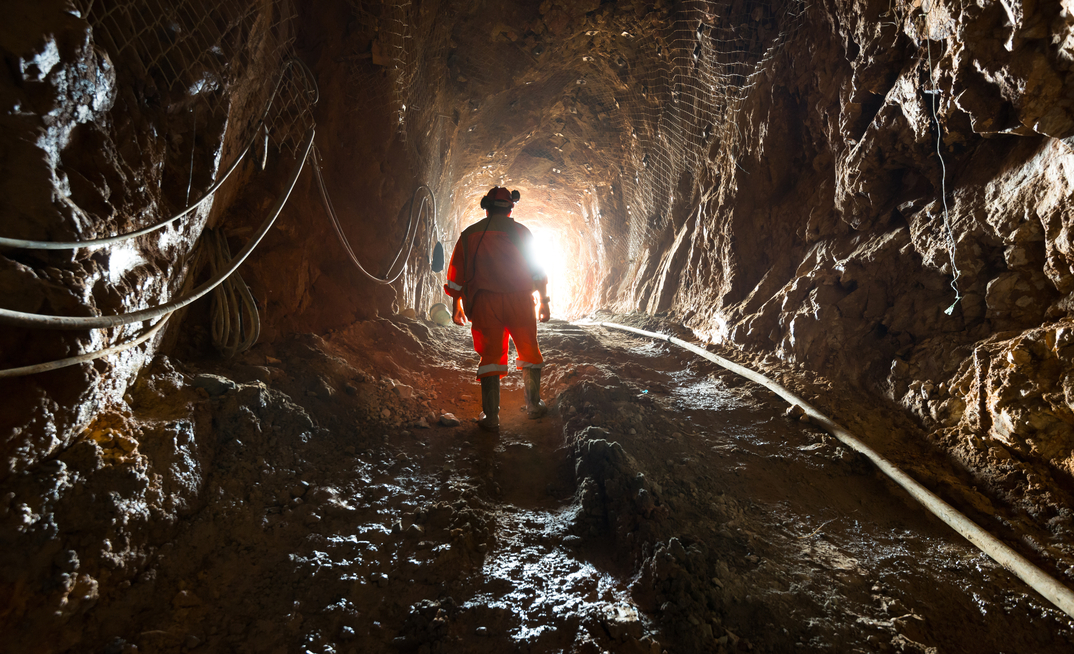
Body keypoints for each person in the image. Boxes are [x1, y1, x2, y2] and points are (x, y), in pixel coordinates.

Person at [443, 187, 551, 430]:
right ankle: (534, 406)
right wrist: (544, 302)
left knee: (490, 356)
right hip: (521, 301)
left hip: (485, 304)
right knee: (528, 350)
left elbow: (456, 278)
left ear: (486, 207)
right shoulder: (522, 233)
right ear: (511, 208)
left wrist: (456, 305)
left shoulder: (469, 235)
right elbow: (538, 271)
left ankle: (491, 417)